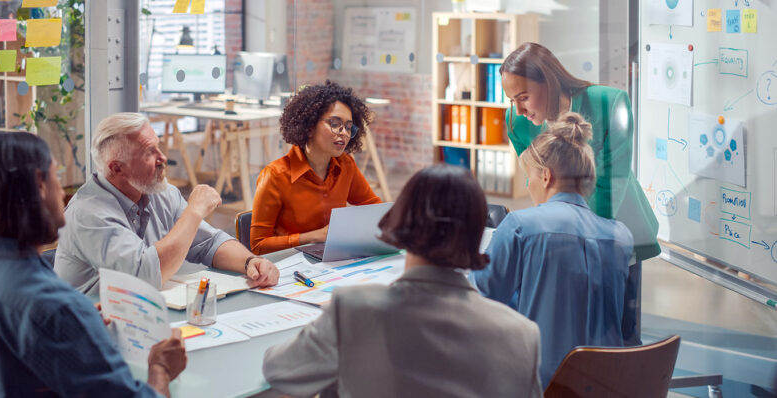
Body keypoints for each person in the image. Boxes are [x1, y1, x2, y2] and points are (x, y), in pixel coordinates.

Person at [263, 164, 542, 398]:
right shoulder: (522, 335)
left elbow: (279, 369)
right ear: (477, 236)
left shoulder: (353, 309)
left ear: (402, 220)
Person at [0, 132, 186, 397]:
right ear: (40, 185)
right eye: (56, 176)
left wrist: (81, 331)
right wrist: (160, 368)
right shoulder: (57, 309)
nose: (63, 192)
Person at [500, 42, 659, 344]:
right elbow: (538, 185)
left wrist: (567, 239)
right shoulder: (518, 124)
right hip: (563, 239)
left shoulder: (610, 104)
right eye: (512, 100)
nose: (518, 109)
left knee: (619, 335)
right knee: (571, 331)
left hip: (616, 233)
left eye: (523, 97)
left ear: (547, 80)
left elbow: (609, 184)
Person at [470, 113, 634, 387]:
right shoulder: (621, 237)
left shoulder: (520, 226)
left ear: (546, 176)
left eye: (528, 176)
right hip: (609, 387)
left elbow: (480, 300)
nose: (527, 185)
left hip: (544, 385)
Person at [54, 113, 279, 295]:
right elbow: (144, 277)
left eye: (158, 147)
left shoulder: (159, 191)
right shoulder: (88, 213)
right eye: (148, 153)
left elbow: (209, 243)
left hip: (137, 316)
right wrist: (194, 211)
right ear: (116, 168)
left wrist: (250, 262)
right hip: (90, 330)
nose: (162, 158)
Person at [250, 80, 381, 254]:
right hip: (289, 267)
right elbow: (258, 246)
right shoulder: (275, 175)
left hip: (332, 260)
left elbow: (375, 210)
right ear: (309, 126)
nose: (344, 132)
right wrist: (313, 237)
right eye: (335, 124)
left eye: (349, 127)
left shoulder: (346, 165)